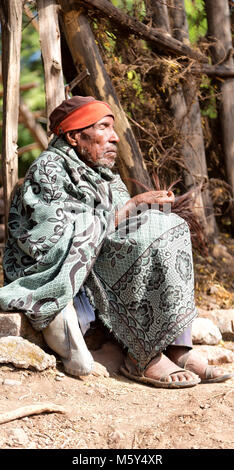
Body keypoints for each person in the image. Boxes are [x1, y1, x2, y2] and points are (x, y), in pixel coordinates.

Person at [0, 96, 232, 388]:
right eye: (104, 128)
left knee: (171, 226)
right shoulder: (47, 172)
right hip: (68, 275)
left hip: (98, 264)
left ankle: (177, 347)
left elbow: (120, 225)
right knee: (151, 232)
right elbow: (55, 237)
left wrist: (145, 211)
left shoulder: (104, 176)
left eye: (114, 129)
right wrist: (133, 206)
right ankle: (142, 357)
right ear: (73, 136)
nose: (115, 137)